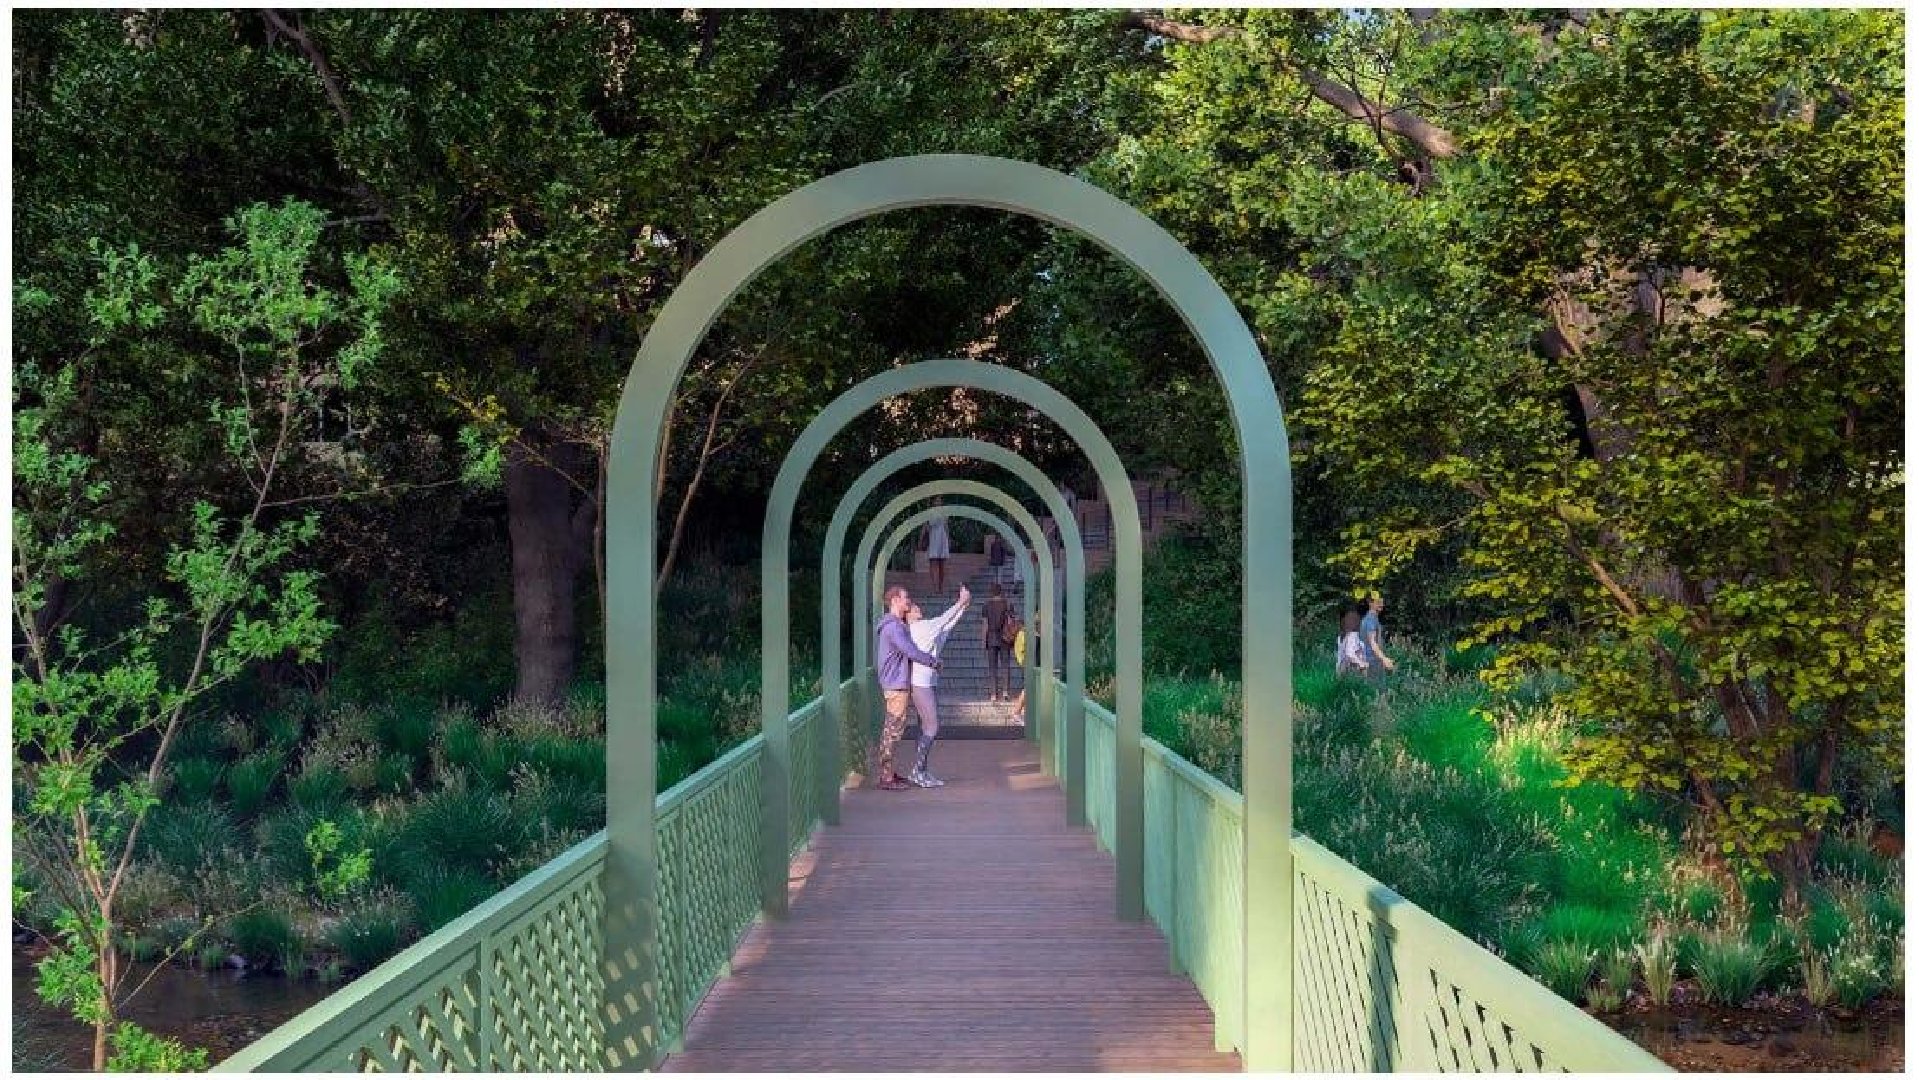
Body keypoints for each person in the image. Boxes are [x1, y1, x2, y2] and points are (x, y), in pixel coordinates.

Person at [874, 584, 942, 790]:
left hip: (896, 683)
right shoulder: (894, 627)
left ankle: (888, 773)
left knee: (893, 728)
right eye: (906, 598)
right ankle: (886, 777)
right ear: (895, 600)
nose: (909, 601)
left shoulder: (895, 625)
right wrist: (932, 661)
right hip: (896, 684)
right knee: (892, 730)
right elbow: (909, 650)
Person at [904, 584, 970, 788]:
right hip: (921, 684)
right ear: (908, 615)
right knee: (932, 726)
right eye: (913, 607)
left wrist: (963, 607)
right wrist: (960, 602)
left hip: (926, 682)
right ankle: (918, 771)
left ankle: (921, 770)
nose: (917, 608)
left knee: (924, 727)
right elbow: (943, 620)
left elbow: (946, 627)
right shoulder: (920, 627)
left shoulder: (925, 629)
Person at [981, 583, 1013, 703]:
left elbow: (985, 625)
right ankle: (1005, 692)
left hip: (991, 638)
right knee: (1005, 665)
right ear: (1001, 592)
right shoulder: (1008, 604)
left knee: (992, 667)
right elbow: (1010, 622)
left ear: (991, 592)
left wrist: (983, 641)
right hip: (1005, 638)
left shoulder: (986, 606)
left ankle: (993, 694)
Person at [1361, 594, 1396, 676]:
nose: (1381, 605)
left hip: (1374, 660)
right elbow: (1372, 642)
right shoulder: (1370, 620)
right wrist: (1384, 659)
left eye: (1382, 602)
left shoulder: (1373, 619)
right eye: (1378, 602)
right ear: (1370, 603)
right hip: (1371, 661)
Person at [922, 499, 951, 595]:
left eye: (940, 501)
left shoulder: (944, 512)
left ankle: (940, 587)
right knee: (933, 563)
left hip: (942, 539)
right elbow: (925, 526)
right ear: (933, 502)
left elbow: (946, 526)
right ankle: (935, 588)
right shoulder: (929, 512)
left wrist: (948, 539)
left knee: (942, 564)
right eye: (936, 500)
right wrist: (922, 538)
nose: (938, 502)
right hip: (933, 538)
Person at [1336, 602, 1369, 677]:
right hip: (1353, 672)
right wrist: (1361, 663)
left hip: (1342, 671)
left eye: (1355, 619)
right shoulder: (1352, 635)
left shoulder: (1342, 636)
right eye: (1350, 619)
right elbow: (1349, 653)